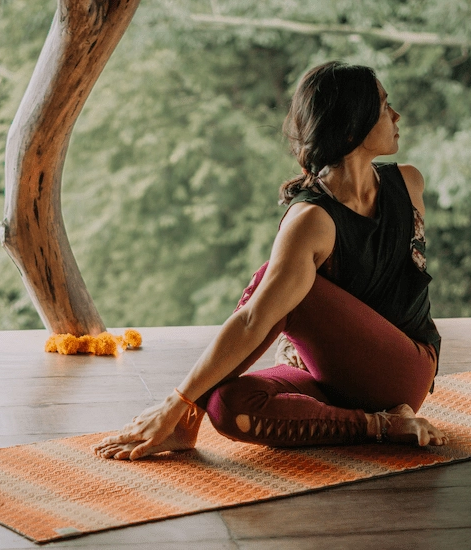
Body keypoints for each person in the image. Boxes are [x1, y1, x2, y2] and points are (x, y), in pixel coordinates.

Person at [93, 61, 447, 461]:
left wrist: (176, 401)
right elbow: (262, 319)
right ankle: (381, 424)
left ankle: (180, 415)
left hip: (405, 369)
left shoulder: (407, 183)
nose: (396, 115)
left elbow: (257, 317)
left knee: (284, 286)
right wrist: (190, 400)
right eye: (385, 106)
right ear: (352, 127)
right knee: (227, 406)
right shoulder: (313, 219)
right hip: (335, 376)